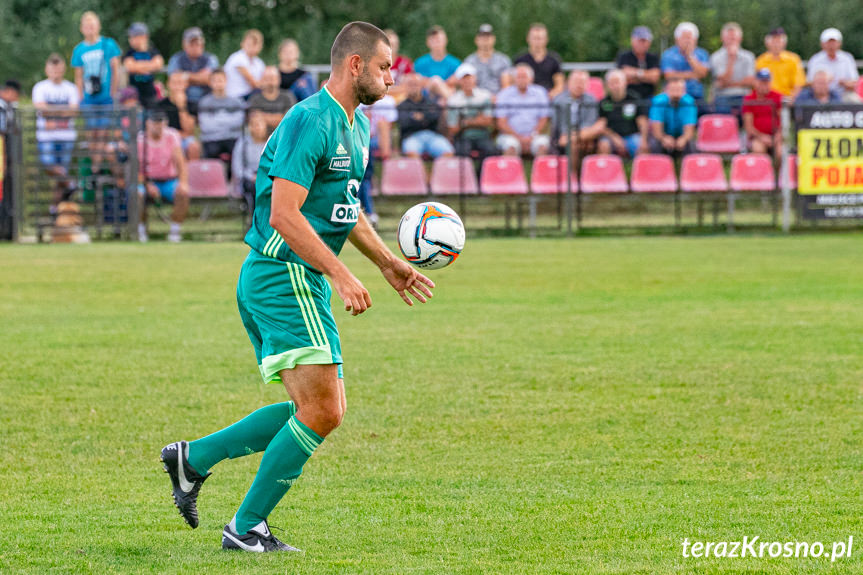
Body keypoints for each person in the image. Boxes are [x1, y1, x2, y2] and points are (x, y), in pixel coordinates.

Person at [159, 20, 434, 554]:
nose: (391, 78)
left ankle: (193, 460)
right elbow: (285, 215)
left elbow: (343, 210)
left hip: (293, 277)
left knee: (315, 408)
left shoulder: (355, 127)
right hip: (281, 274)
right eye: (384, 67)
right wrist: (340, 271)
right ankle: (244, 528)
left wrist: (386, 263)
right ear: (355, 65)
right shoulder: (311, 120)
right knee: (324, 411)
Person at [71, 11, 122, 167]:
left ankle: (96, 168)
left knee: (102, 133)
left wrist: (113, 93)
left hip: (106, 96)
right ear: (82, 28)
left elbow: (116, 70)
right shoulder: (79, 50)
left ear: (98, 26)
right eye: (86, 25)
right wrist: (80, 98)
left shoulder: (109, 44)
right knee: (91, 134)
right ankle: (96, 166)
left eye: (92, 24)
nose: (90, 28)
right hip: (89, 97)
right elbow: (78, 75)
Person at [32, 54, 80, 210]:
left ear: (63, 69)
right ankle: (70, 183)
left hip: (66, 136)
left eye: (58, 69)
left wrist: (52, 113)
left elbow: (73, 111)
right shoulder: (40, 87)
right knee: (49, 165)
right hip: (46, 136)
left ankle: (55, 209)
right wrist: (61, 111)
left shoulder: (71, 88)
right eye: (53, 69)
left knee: (60, 173)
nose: (56, 72)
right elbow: (41, 109)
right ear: (47, 69)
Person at [136, 110, 188, 243]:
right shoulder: (140, 140)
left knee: (183, 193)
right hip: (148, 181)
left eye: (160, 123)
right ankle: (141, 230)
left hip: (169, 180)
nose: (157, 126)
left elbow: (180, 160)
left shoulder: (172, 136)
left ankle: (175, 231)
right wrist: (147, 185)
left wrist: (183, 182)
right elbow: (137, 169)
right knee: (138, 194)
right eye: (154, 123)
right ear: (147, 124)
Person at [197, 69, 246, 175]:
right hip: (211, 139)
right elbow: (205, 125)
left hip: (232, 138)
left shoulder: (236, 101)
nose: (218, 83)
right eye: (215, 81)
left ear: (226, 81)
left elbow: (239, 122)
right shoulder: (204, 102)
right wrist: (227, 120)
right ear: (210, 83)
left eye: (221, 80)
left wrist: (217, 120)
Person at [494, 63, 551, 156]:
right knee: (510, 146)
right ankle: (511, 171)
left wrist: (532, 136)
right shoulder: (504, 94)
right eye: (518, 77)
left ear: (531, 78)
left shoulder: (540, 93)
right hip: (510, 136)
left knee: (542, 146)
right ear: (514, 79)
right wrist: (518, 138)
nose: (521, 80)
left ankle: (540, 171)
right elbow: (501, 121)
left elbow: (544, 119)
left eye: (524, 77)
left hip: (535, 135)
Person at [357, 94, 397, 225]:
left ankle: (367, 213)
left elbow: (388, 127)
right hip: (358, 142)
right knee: (363, 180)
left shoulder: (387, 102)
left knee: (363, 180)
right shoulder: (356, 101)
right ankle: (369, 213)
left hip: (372, 142)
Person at [397, 73, 455, 159]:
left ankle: (437, 173)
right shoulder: (402, 105)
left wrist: (415, 117)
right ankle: (420, 173)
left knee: (448, 152)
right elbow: (404, 123)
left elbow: (435, 118)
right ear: (406, 87)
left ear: (421, 86)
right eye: (410, 85)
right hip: (411, 137)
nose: (413, 87)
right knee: (411, 153)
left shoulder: (431, 102)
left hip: (433, 136)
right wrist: (425, 118)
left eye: (416, 84)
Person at [446, 63, 495, 159]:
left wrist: (465, 121)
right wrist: (478, 118)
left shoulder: (485, 96)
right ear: (459, 81)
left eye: (469, 78)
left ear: (475, 78)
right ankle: (469, 174)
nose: (467, 81)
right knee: (461, 153)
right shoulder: (453, 100)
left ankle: (480, 174)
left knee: (491, 151)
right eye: (464, 78)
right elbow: (453, 128)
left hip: (483, 136)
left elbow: (488, 121)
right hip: (462, 137)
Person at [551, 70, 603, 159]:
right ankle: (572, 172)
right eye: (576, 82)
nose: (579, 85)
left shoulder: (591, 100)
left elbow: (590, 122)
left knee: (593, 140)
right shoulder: (558, 100)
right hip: (564, 135)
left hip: (585, 135)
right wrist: (570, 135)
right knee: (573, 144)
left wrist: (575, 136)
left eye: (582, 82)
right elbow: (558, 124)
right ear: (568, 83)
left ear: (587, 85)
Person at [167, 27, 220, 114]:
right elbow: (175, 80)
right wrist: (199, 78)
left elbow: (209, 79)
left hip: (207, 96)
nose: (195, 47)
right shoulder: (176, 59)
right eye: (192, 44)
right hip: (185, 98)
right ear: (184, 45)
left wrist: (186, 76)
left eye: (198, 43)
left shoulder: (211, 58)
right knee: (177, 95)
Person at [596, 69, 648, 158]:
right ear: (607, 85)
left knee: (641, 146)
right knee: (603, 145)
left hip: (632, 136)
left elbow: (642, 122)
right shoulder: (604, 103)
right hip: (611, 137)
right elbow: (602, 126)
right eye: (612, 83)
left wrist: (644, 140)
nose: (615, 86)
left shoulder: (634, 99)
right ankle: (606, 171)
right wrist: (615, 137)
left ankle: (638, 171)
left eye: (617, 82)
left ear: (625, 83)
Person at [709, 22, 755, 115]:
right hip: (723, 95)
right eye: (728, 38)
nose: (731, 41)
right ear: (722, 39)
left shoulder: (749, 56)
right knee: (723, 111)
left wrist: (728, 84)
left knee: (748, 109)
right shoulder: (715, 57)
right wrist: (731, 60)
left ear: (740, 39)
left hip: (743, 95)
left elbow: (750, 82)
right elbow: (723, 81)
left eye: (733, 38)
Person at [154, 72, 202, 159]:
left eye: (180, 83)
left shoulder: (191, 105)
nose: (177, 87)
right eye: (174, 83)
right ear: (168, 84)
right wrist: (175, 136)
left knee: (194, 146)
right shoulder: (160, 105)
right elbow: (159, 129)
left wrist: (181, 107)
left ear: (186, 85)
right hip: (165, 139)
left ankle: (191, 172)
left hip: (184, 139)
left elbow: (189, 131)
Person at [660, 22, 709, 103]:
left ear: (695, 40)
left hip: (696, 95)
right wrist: (694, 75)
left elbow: (703, 74)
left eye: (690, 38)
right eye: (685, 38)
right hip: (674, 96)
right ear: (677, 39)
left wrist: (690, 56)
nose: (688, 41)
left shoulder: (702, 54)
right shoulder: (668, 54)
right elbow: (669, 76)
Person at [232, 113, 269, 216]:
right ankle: (255, 218)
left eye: (260, 124)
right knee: (253, 187)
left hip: (267, 176)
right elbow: (237, 168)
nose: (257, 128)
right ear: (250, 127)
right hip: (249, 178)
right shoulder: (242, 143)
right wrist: (252, 176)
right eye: (254, 125)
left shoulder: (271, 143)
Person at [648, 78, 697, 156]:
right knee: (655, 144)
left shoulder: (689, 102)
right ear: (666, 90)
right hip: (663, 135)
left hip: (681, 136)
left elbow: (689, 129)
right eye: (673, 89)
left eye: (679, 89)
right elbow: (656, 129)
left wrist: (683, 139)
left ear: (684, 91)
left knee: (691, 144)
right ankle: (657, 167)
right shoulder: (658, 102)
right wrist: (663, 138)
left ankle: (691, 167)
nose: (676, 93)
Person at [514, 23, 564, 99]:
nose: (537, 41)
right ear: (528, 39)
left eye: (540, 38)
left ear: (546, 39)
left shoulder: (554, 59)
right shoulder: (520, 60)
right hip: (524, 99)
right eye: (534, 38)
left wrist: (549, 96)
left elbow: (559, 85)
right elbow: (514, 83)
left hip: (548, 99)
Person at [754, 27, 805, 101]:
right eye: (773, 41)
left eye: (779, 41)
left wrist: (791, 99)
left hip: (786, 98)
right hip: (767, 100)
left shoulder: (793, 59)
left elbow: (798, 84)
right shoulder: (760, 60)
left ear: (784, 43)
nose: (776, 44)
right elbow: (757, 85)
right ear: (767, 43)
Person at [742, 69, 783, 161]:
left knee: (781, 152)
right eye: (761, 82)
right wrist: (762, 137)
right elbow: (748, 126)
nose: (764, 85)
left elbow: (783, 120)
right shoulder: (749, 99)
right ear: (755, 83)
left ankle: (778, 174)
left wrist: (778, 136)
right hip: (757, 137)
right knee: (758, 150)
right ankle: (763, 174)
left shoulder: (778, 97)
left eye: (766, 82)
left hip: (776, 136)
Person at [806, 28, 859, 98]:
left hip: (843, 94)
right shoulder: (815, 60)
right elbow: (809, 82)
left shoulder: (847, 58)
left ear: (839, 43)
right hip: (821, 96)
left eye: (834, 42)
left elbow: (855, 82)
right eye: (828, 42)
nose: (831, 45)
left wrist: (844, 83)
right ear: (822, 44)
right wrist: (822, 82)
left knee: (854, 100)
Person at [122, 22, 164, 107]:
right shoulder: (130, 52)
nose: (130, 39)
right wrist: (149, 66)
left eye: (133, 37)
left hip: (150, 93)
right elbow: (130, 66)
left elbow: (158, 64)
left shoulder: (152, 51)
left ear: (144, 37)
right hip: (133, 95)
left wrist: (138, 66)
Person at [414, 25, 461, 98]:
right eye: (433, 39)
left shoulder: (455, 63)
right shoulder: (420, 63)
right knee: (436, 80)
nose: (436, 42)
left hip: (447, 99)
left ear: (446, 40)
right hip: (426, 101)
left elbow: (457, 84)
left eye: (438, 39)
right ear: (427, 42)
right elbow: (417, 84)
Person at [463, 24, 512, 94]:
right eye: (482, 37)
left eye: (488, 37)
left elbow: (506, 86)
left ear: (494, 39)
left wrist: (500, 99)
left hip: (498, 101)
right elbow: (467, 85)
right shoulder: (469, 62)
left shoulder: (503, 60)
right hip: (476, 100)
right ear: (476, 40)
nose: (485, 40)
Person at [616, 26, 661, 102]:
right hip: (627, 97)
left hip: (649, 97)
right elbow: (623, 77)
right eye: (640, 40)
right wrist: (646, 76)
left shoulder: (653, 57)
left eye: (645, 41)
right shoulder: (624, 56)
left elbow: (655, 78)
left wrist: (635, 74)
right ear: (632, 41)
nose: (642, 44)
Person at [248, 66, 297, 131]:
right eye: (266, 78)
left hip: (283, 135)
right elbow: (255, 121)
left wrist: (263, 116)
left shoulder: (288, 96)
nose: (269, 82)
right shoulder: (254, 99)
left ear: (279, 79)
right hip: (261, 138)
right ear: (261, 80)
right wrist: (280, 117)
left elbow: (290, 120)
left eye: (272, 78)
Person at [225, 29, 266, 99]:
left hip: (249, 95)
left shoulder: (259, 62)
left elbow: (264, 81)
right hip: (235, 96)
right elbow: (254, 84)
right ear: (242, 44)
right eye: (249, 44)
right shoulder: (238, 58)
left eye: (255, 44)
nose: (252, 48)